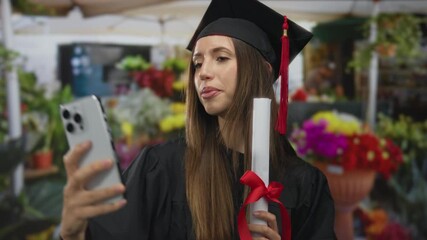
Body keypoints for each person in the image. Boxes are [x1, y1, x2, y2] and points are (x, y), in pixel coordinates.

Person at [60, 0, 336, 239]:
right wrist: (73, 234)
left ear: (263, 71)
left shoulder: (303, 185)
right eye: (197, 63)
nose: (203, 72)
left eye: (221, 58)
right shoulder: (161, 168)